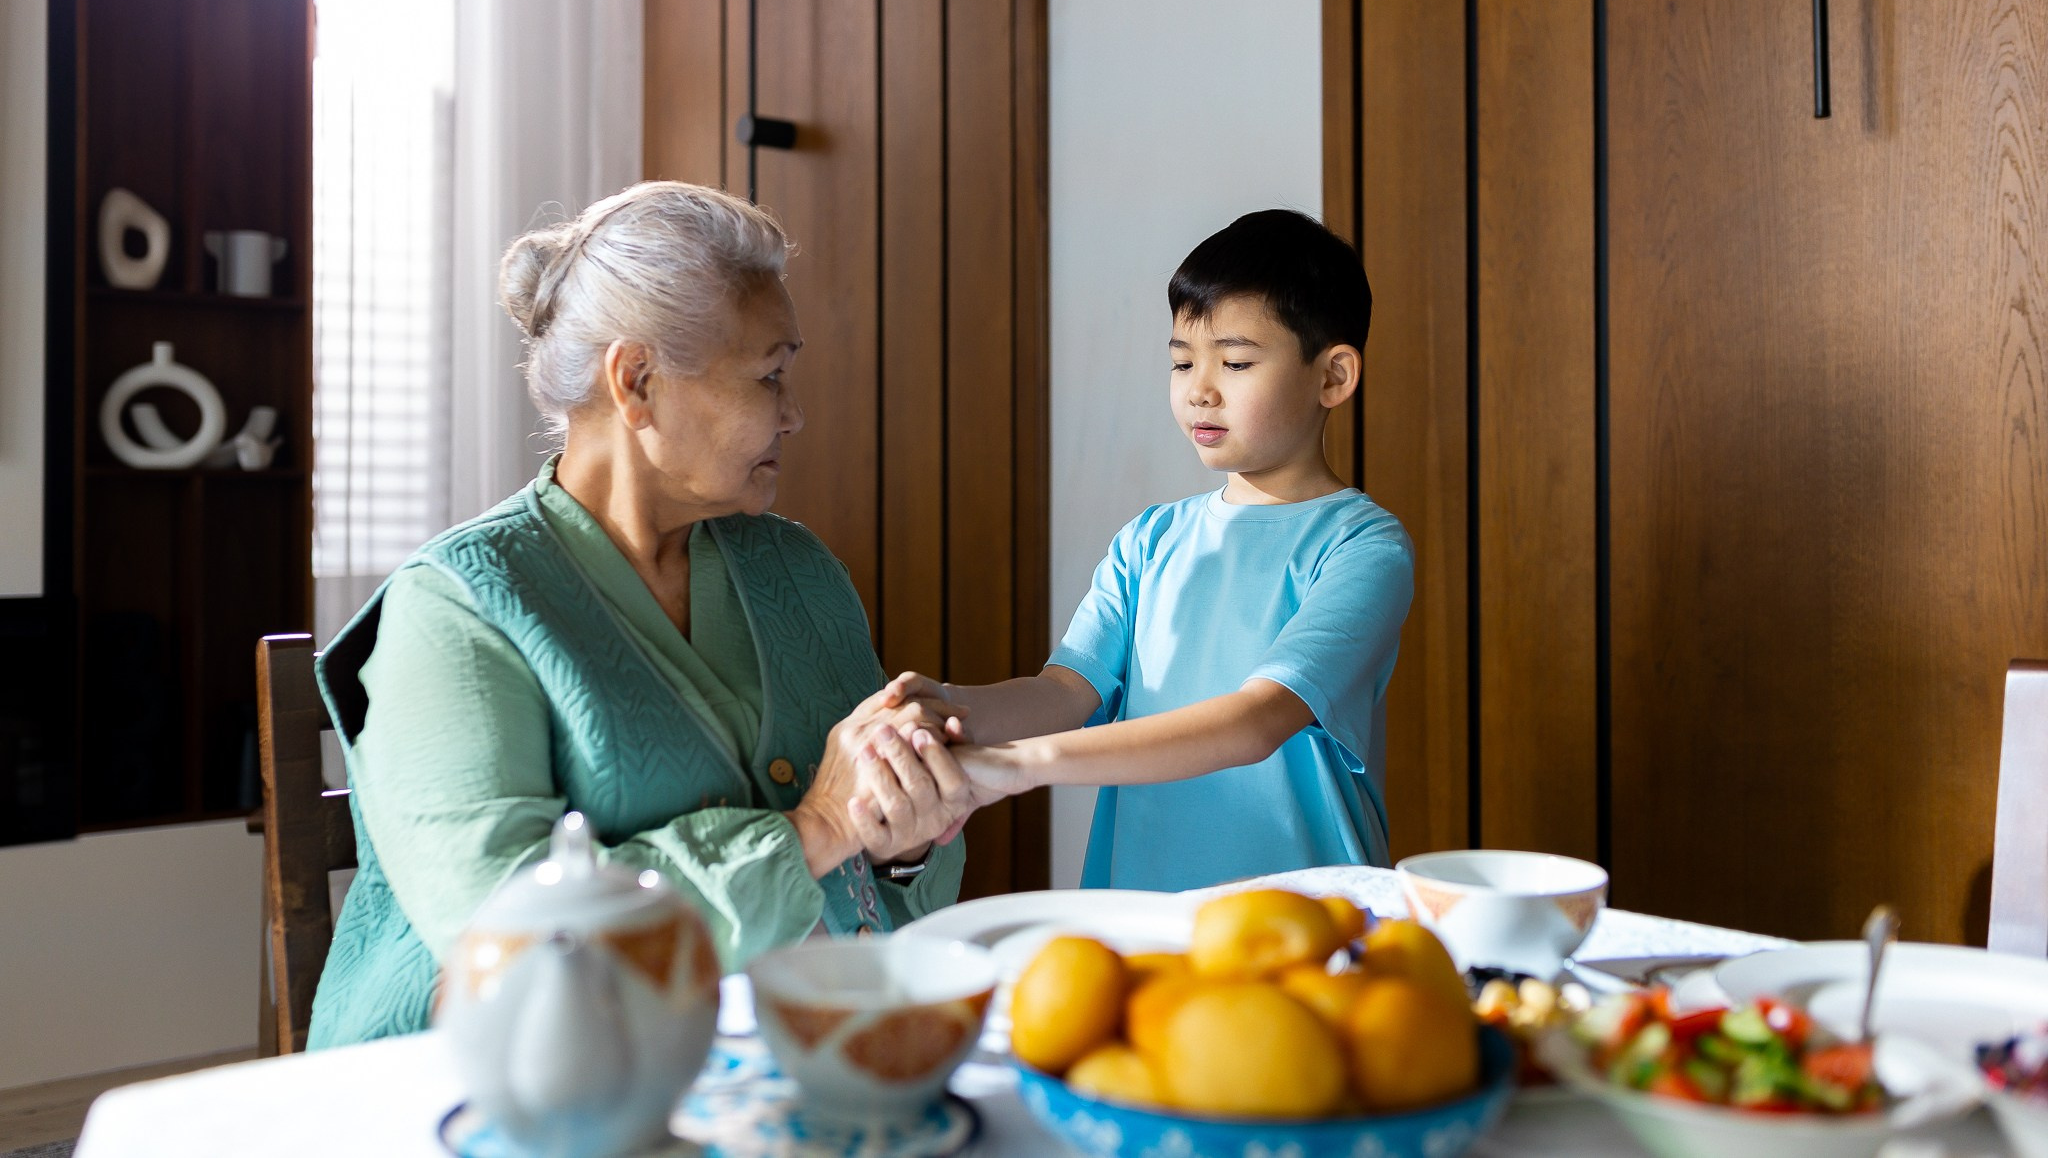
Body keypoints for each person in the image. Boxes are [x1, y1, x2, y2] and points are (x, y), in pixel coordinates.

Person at [307, 183, 976, 1047]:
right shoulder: (457, 609)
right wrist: (816, 827)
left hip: (775, 1061)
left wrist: (903, 836)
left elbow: (888, 882)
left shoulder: (798, 572)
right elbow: (507, 940)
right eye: (769, 376)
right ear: (637, 380)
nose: (794, 411)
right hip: (498, 1088)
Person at [898, 209, 1413, 891]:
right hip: (1139, 906)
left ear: (1333, 376)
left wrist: (1018, 764)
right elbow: (1065, 690)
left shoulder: (1364, 547)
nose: (1199, 387)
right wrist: (947, 707)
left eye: (1234, 361)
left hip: (1308, 910)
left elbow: (1256, 721)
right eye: (1182, 360)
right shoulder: (1149, 540)